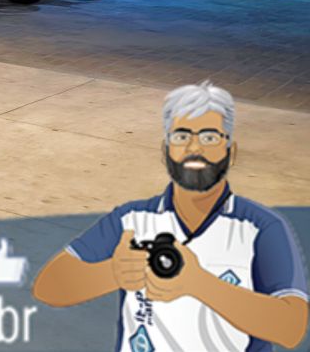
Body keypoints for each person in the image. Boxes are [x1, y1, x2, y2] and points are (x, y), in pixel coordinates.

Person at [33, 80, 308, 351]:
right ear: (165, 152)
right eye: (181, 137)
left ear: (230, 152)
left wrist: (198, 284)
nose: (194, 148)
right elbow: (49, 287)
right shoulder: (131, 219)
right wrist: (113, 273)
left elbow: (292, 328)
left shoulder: (262, 228)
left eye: (209, 137)